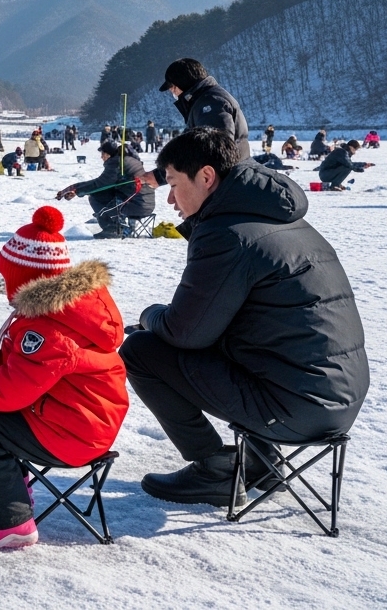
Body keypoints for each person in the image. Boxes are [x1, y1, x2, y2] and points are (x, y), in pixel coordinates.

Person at [122, 127, 368, 507]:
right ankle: (261, 462)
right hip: (338, 398)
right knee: (240, 334)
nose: (169, 198)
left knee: (141, 349)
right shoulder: (279, 215)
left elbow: (185, 331)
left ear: (206, 177)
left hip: (296, 408)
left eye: (172, 183)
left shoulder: (227, 233)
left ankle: (215, 469)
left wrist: (148, 315)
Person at [0, 206, 127, 550]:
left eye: (7, 277)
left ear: (25, 279)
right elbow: (18, 375)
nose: (5, 285)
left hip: (73, 432)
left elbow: (11, 391)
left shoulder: (48, 328)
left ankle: (9, 521)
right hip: (77, 418)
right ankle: (4, 489)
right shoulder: (69, 310)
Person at [57, 139, 155, 239]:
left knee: (95, 196)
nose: (101, 157)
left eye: (102, 154)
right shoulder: (128, 159)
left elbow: (99, 184)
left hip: (137, 204)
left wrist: (76, 190)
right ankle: (117, 225)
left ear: (108, 154)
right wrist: (75, 189)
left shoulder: (116, 163)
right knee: (103, 193)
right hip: (145, 203)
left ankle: (113, 228)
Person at [159, 58, 250, 164]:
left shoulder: (210, 104)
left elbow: (215, 152)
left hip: (229, 177)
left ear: (181, 84)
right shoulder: (203, 102)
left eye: (172, 87)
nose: (173, 92)